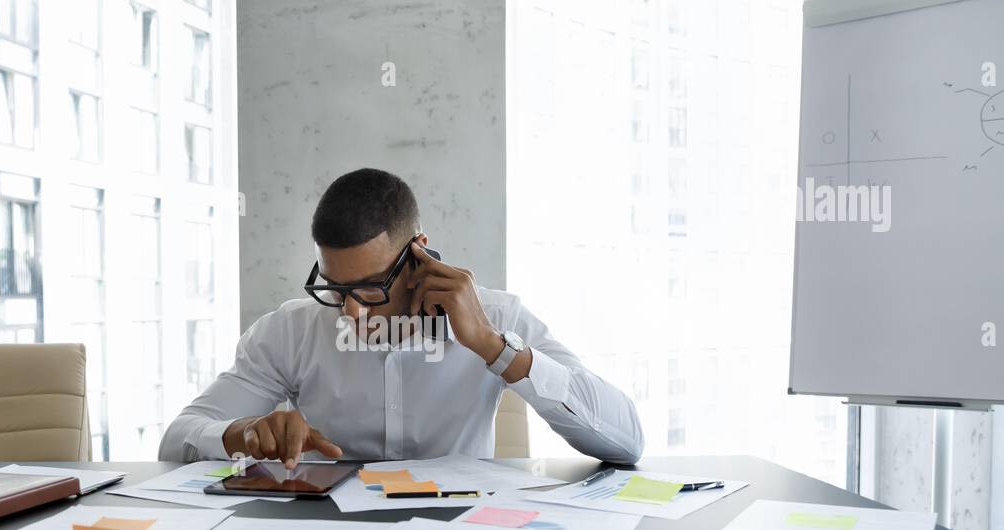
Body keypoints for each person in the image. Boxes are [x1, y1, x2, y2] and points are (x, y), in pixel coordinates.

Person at [160, 168, 643, 465]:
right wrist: (238, 432)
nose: (349, 311)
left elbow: (626, 441)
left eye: (369, 288)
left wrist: (494, 347)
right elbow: (178, 439)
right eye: (335, 288)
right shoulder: (291, 331)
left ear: (418, 256)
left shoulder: (495, 316)